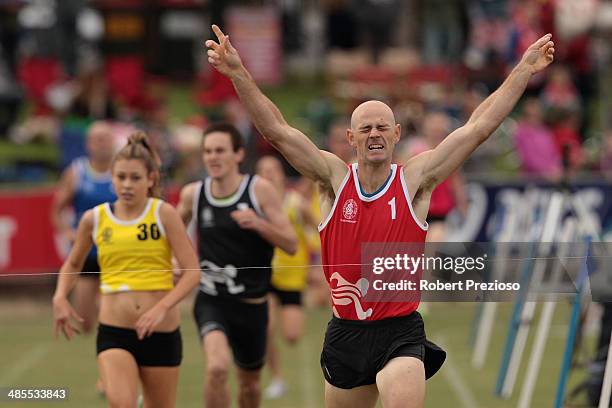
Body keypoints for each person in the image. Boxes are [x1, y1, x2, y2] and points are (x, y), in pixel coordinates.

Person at [205, 24, 555, 407]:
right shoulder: (334, 179)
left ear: (397, 134)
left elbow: (478, 128)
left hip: (399, 332)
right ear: (351, 138)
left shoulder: (414, 181)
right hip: (346, 333)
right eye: (365, 128)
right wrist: (240, 74)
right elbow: (278, 131)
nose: (375, 133)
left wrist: (522, 69)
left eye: (382, 127)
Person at [52, 132, 200, 408]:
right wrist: (60, 296)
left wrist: (161, 308)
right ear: (112, 178)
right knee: (121, 403)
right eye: (121, 177)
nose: (127, 185)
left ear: (151, 180)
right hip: (115, 331)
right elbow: (72, 263)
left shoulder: (163, 214)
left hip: (161, 331)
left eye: (135, 178)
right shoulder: (94, 218)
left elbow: (192, 272)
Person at [177, 123, 297, 408]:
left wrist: (258, 224)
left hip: (252, 305)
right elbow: (170, 230)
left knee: (250, 385)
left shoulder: (259, 191)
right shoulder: (193, 194)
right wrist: (175, 259)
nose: (213, 157)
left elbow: (290, 244)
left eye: (220, 151)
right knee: (216, 368)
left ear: (238, 154)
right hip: (212, 299)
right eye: (207, 151)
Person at [50, 121, 116, 394]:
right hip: (87, 256)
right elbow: (56, 209)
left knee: (112, 316)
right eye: (96, 139)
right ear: (88, 144)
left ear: (113, 141)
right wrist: (67, 231)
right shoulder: (77, 172)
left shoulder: (124, 172)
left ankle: (109, 378)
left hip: (117, 255)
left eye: (105, 138)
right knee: (88, 322)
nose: (101, 143)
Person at [256, 155, 319, 399]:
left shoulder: (295, 203)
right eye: (263, 170)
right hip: (265, 275)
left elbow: (321, 230)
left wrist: (316, 264)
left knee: (291, 336)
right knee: (266, 328)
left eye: (272, 169)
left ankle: (279, 375)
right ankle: (277, 378)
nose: (268, 174)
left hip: (293, 277)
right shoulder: (255, 204)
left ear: (281, 174)